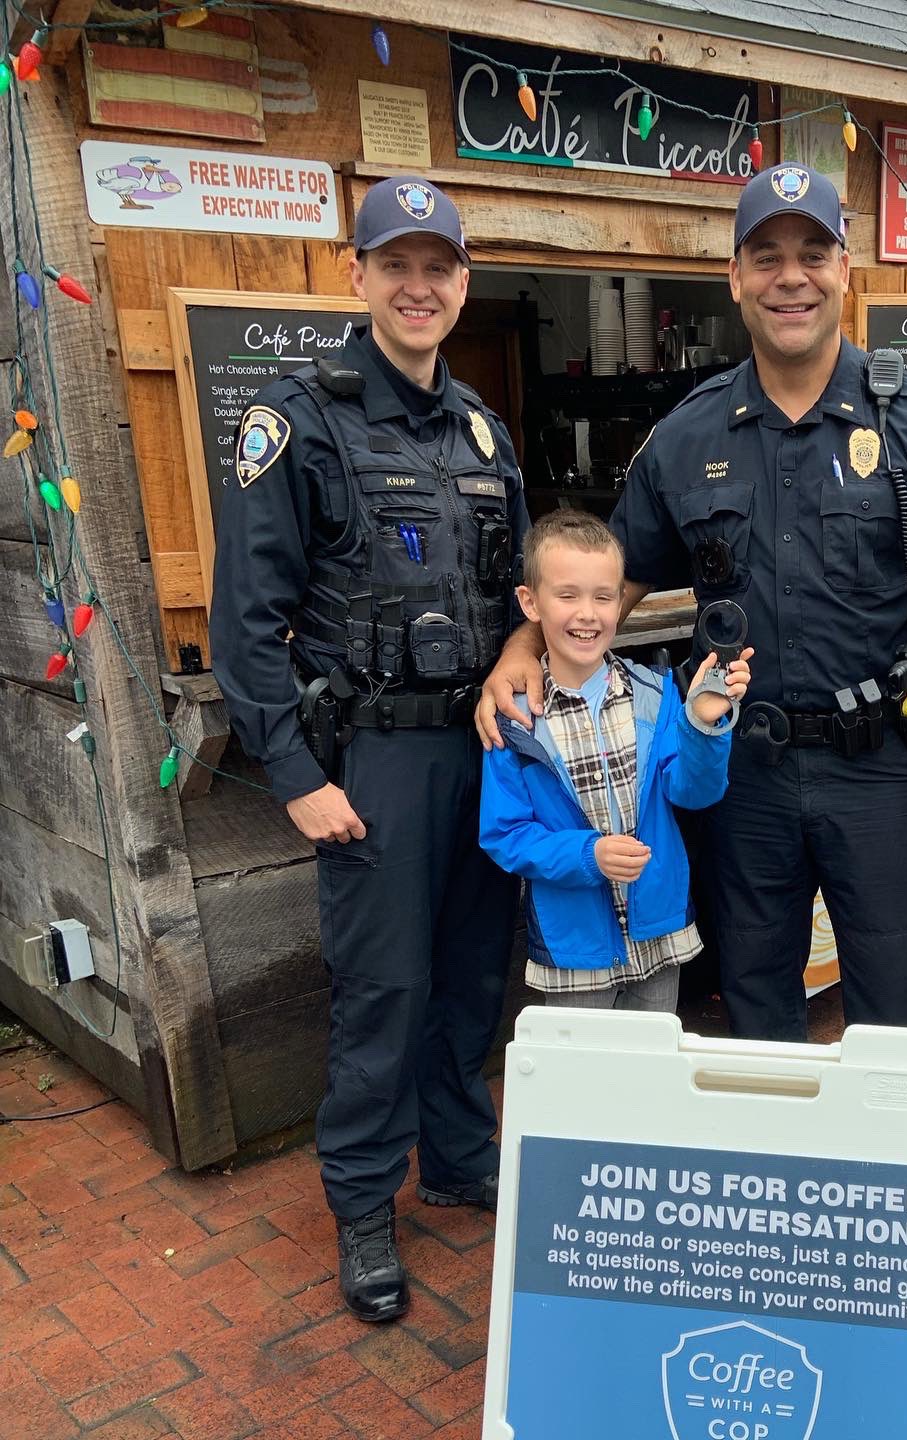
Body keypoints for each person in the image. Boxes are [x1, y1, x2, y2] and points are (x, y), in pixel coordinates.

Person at [478, 164, 907, 1041]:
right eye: (766, 257)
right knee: (757, 999)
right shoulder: (688, 435)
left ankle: (888, 1177)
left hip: (880, 769)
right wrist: (521, 650)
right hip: (740, 772)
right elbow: (611, 582)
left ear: (845, 269)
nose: (790, 277)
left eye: (813, 253)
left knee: (899, 1008)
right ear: (736, 278)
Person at [210, 177, 530, 1324]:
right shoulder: (297, 417)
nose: (418, 284)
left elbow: (520, 596)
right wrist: (294, 779)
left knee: (470, 978)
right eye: (395, 263)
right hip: (375, 766)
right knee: (383, 991)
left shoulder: (484, 429)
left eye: (438, 264)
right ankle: (361, 1202)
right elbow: (243, 621)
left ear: (461, 281)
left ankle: (456, 1156)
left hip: (482, 756)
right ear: (356, 277)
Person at [480, 510, 751, 1010]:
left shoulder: (655, 694)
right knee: (582, 1080)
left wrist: (704, 725)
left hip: (658, 930)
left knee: (647, 1072)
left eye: (604, 597)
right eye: (568, 595)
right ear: (530, 602)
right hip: (574, 946)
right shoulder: (514, 720)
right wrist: (589, 855)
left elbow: (694, 791)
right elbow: (505, 834)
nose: (588, 613)